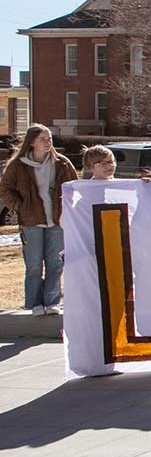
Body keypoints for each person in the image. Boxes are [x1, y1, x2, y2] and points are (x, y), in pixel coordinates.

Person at [0, 124, 77, 316]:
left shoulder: (62, 163)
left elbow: (74, 186)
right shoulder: (18, 166)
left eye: (49, 138)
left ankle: (52, 302)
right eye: (43, 139)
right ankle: (34, 304)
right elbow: (5, 189)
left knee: (55, 263)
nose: (47, 142)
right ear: (31, 142)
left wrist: (69, 208)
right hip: (31, 221)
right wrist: (20, 205)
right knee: (34, 264)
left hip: (57, 221)